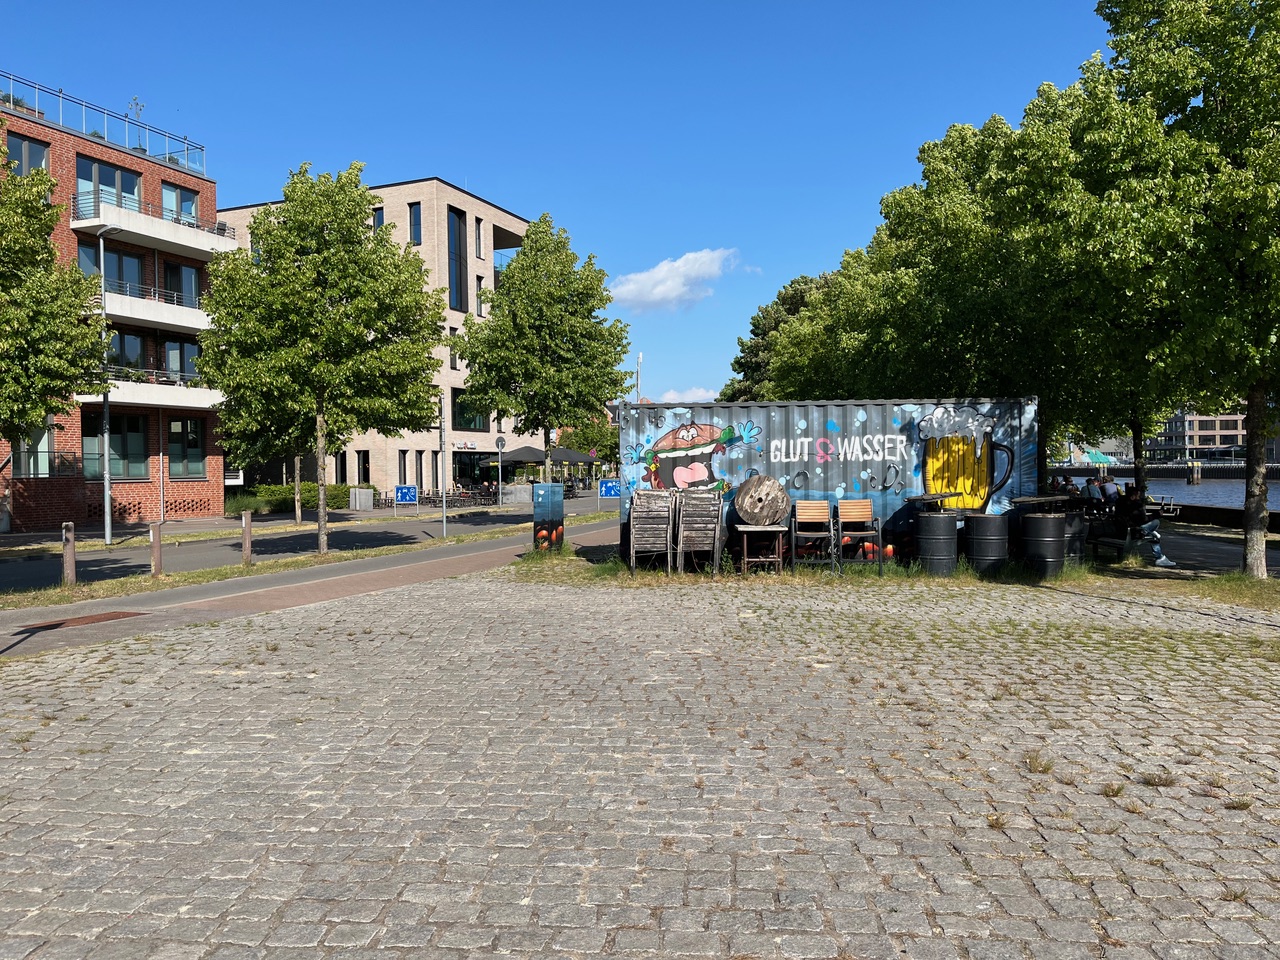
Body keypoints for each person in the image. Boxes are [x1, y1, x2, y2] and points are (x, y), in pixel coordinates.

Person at [1116, 487, 1176, 567]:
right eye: (1138, 496)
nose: (1139, 498)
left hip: (1119, 531)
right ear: (1133, 496)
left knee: (1151, 532)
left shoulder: (1119, 502)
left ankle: (1151, 533)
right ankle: (1159, 558)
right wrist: (1157, 514)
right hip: (1132, 532)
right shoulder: (1137, 505)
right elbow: (1144, 520)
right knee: (1156, 525)